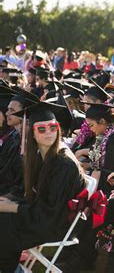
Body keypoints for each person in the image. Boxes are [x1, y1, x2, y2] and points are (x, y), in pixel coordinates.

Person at [0, 102, 84, 271]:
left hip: (54, 223)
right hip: (40, 215)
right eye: (42, 129)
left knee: (3, 223)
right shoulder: (40, 155)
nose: (48, 133)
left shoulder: (64, 164)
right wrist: (9, 201)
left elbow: (50, 211)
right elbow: (32, 195)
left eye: (53, 127)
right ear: (32, 133)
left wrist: (13, 208)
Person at [84, 103, 114, 195]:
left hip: (112, 189)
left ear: (102, 121)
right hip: (100, 184)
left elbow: (112, 170)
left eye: (91, 125)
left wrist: (94, 172)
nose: (91, 129)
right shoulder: (101, 138)